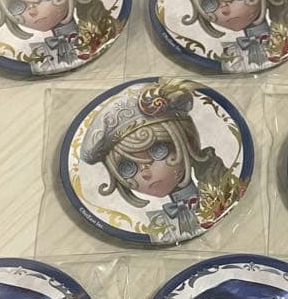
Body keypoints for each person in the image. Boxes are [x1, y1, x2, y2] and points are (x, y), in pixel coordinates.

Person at [79, 80, 239, 243]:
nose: (146, 173)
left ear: (188, 142)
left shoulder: (220, 183)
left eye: (158, 151)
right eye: (127, 167)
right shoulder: (154, 226)